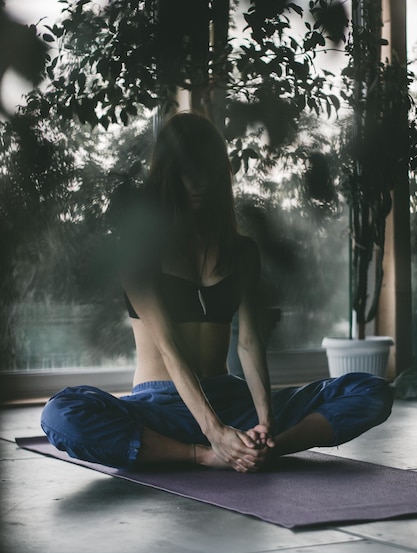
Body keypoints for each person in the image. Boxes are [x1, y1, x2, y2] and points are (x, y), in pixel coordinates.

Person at [41, 112, 393, 473]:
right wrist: (214, 436)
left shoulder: (242, 251)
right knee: (60, 414)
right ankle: (201, 455)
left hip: (231, 399)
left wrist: (265, 421)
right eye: (187, 171)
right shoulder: (141, 255)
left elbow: (250, 344)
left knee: (371, 390)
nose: (199, 182)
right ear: (168, 174)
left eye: (207, 169)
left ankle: (263, 450)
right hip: (162, 406)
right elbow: (170, 350)